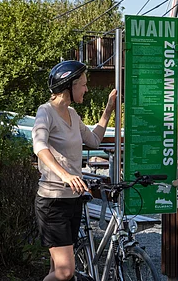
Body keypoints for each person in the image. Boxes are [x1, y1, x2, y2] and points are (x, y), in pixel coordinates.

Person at [32, 60, 117, 281]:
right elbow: (39, 147)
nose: (87, 89)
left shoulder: (73, 114)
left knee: (57, 271)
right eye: (83, 84)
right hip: (53, 201)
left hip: (72, 199)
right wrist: (66, 175)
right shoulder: (46, 112)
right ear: (69, 85)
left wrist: (108, 109)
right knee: (65, 272)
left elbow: (95, 140)